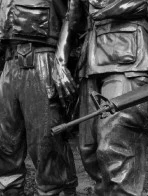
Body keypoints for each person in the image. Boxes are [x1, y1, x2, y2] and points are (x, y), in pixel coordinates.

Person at [55, 0, 148, 195]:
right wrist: (60, 61)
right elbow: (73, 15)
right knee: (89, 152)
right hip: (90, 62)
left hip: (129, 56)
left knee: (114, 147)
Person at [0, 0, 78, 195]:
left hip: (41, 60)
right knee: (6, 147)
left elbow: (72, 13)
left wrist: (61, 61)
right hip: (8, 65)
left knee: (46, 147)